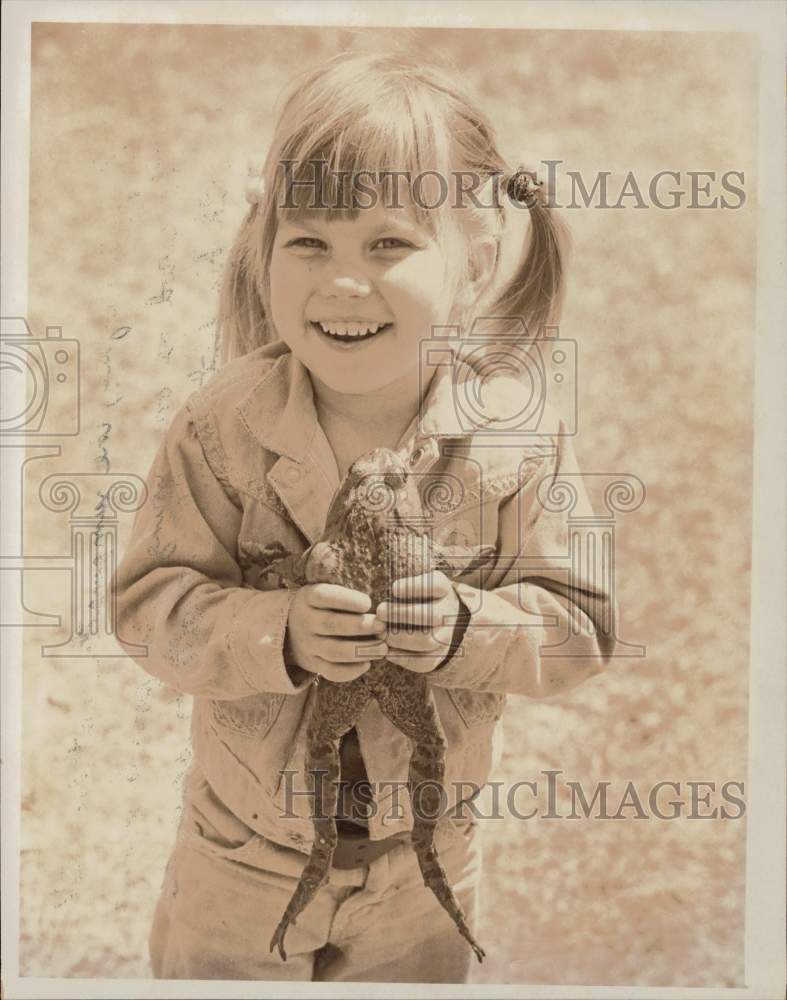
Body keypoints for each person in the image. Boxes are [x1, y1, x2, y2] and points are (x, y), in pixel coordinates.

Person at [112, 49, 618, 984]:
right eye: (309, 242)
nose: (343, 282)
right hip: (238, 852)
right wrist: (277, 632)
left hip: (423, 866)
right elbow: (149, 607)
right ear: (263, 246)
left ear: (472, 258)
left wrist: (466, 629)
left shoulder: (514, 440)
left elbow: (578, 627)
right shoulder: (223, 426)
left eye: (387, 243)